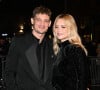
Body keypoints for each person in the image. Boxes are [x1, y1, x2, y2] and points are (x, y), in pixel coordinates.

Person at [4, 6, 56, 90]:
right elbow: (9, 72)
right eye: (38, 20)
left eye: (46, 21)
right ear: (32, 21)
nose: (42, 24)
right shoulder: (19, 42)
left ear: (50, 23)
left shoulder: (53, 45)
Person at [52, 14, 89, 90]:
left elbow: (82, 80)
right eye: (56, 27)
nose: (59, 30)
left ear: (71, 29)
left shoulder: (74, 49)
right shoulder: (61, 48)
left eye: (63, 27)